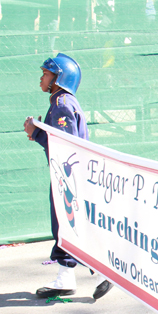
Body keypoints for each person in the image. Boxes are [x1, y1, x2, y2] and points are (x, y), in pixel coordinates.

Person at [24, 53, 113, 300]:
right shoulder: (60, 101)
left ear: (58, 78)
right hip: (68, 176)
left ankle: (104, 272)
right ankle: (70, 276)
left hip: (68, 177)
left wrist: (35, 133)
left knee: (68, 225)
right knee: (69, 226)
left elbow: (67, 147)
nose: (41, 78)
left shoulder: (62, 103)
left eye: (45, 74)